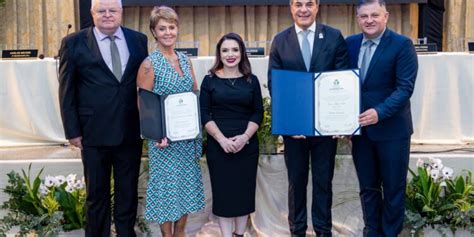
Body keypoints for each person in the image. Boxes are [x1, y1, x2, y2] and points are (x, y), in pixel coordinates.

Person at [58, 0, 147, 236]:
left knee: (127, 192)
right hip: (93, 132)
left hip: (130, 130)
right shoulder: (73, 43)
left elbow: (144, 87)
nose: (108, 15)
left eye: (113, 10)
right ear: (92, 13)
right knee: (96, 195)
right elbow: (66, 90)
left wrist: (151, 124)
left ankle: (126, 233)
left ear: (121, 12)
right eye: (102, 10)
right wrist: (72, 130)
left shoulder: (139, 40)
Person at [268, 0, 349, 236]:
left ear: (318, 7)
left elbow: (342, 81)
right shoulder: (280, 41)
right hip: (295, 129)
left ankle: (324, 231)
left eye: (309, 4)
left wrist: (339, 121)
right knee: (296, 183)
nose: (304, 9)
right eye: (298, 4)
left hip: (326, 128)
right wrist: (288, 122)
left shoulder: (334, 37)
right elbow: (276, 85)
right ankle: (298, 231)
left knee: (324, 183)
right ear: (291, 7)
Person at [345, 1, 418, 236]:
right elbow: (342, 84)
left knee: (394, 190)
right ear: (357, 18)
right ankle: (372, 232)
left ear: (385, 16)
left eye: (374, 15)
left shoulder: (402, 45)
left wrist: (379, 112)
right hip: (361, 133)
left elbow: (404, 88)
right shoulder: (350, 44)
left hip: (392, 132)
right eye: (364, 16)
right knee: (368, 188)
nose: (369, 20)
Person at [136, 6, 205, 237]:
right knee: (167, 192)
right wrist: (156, 135)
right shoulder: (149, 63)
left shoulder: (185, 60)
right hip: (163, 143)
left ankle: (180, 233)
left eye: (172, 27)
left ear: (178, 29)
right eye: (162, 28)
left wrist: (195, 130)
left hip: (186, 139)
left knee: (185, 188)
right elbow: (143, 105)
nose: (168, 32)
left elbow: (193, 94)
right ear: (154, 32)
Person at [200, 32, 263, 237]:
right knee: (224, 195)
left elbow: (258, 112)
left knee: (243, 195)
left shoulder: (251, 80)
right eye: (225, 50)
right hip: (219, 148)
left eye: (235, 49)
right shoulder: (209, 81)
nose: (230, 54)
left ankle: (240, 234)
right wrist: (221, 140)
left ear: (242, 52)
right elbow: (204, 113)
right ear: (219, 53)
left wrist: (244, 137)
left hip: (247, 147)